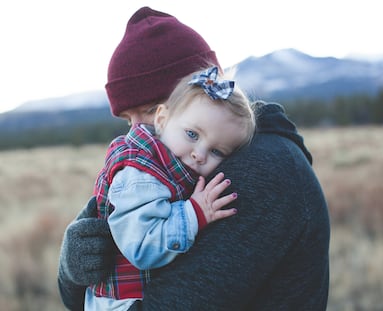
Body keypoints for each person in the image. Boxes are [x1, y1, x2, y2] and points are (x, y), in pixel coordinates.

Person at [58, 6, 330, 311]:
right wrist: (72, 270)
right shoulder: (168, 164)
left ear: (199, 92)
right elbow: (79, 295)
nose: (136, 133)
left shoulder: (261, 171)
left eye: (149, 111)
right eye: (127, 120)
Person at [86, 65, 255, 310]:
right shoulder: (140, 175)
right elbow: (142, 247)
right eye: (192, 134)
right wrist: (194, 213)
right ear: (162, 119)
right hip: (123, 304)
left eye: (217, 151)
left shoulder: (172, 163)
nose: (199, 154)